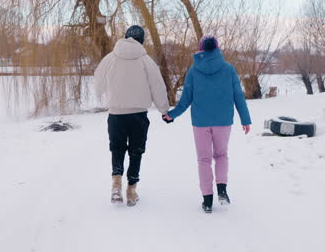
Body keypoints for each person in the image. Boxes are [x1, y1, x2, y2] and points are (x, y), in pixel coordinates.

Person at [163, 36, 251, 213]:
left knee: (203, 160)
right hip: (223, 121)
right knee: (221, 155)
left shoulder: (194, 71)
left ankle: (208, 200)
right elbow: (238, 96)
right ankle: (222, 190)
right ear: (217, 49)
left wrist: (171, 115)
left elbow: (185, 100)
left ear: (201, 50)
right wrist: (245, 119)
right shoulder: (229, 69)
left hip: (201, 123)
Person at [94, 25, 170, 206]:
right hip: (138, 115)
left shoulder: (110, 58)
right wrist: (164, 110)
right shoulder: (146, 61)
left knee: (117, 149)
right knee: (136, 151)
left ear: (126, 37)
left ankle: (116, 185)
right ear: (142, 40)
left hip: (116, 115)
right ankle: (131, 191)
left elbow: (98, 81)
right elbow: (157, 86)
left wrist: (102, 93)